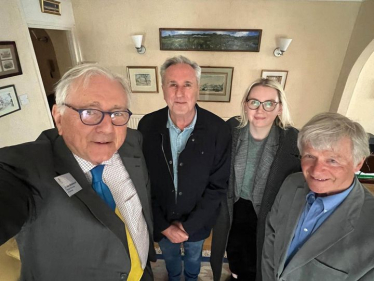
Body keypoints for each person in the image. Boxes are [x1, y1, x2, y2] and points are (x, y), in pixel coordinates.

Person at [0, 64, 156, 281]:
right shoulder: (28, 167)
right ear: (59, 117)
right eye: (90, 112)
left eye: (117, 113)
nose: (107, 128)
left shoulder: (132, 141)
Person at [138, 55, 231, 281]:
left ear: (197, 88)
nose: (180, 93)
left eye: (187, 84)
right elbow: (143, 180)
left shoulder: (219, 129)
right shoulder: (147, 126)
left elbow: (218, 186)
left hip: (198, 224)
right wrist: (163, 225)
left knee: (193, 258)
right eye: (173, 84)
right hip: (162, 222)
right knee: (170, 258)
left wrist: (189, 226)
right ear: (163, 89)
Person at [262, 112, 374, 281]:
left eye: (332, 160)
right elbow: (271, 240)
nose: (315, 170)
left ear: (358, 163)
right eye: (310, 156)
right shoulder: (291, 184)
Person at [211, 78, 301, 281]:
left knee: (260, 260)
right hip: (234, 207)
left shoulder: (292, 140)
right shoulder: (231, 129)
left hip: (268, 211)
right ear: (245, 104)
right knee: (235, 255)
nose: (261, 110)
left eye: (269, 103)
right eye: (254, 102)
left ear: (279, 108)